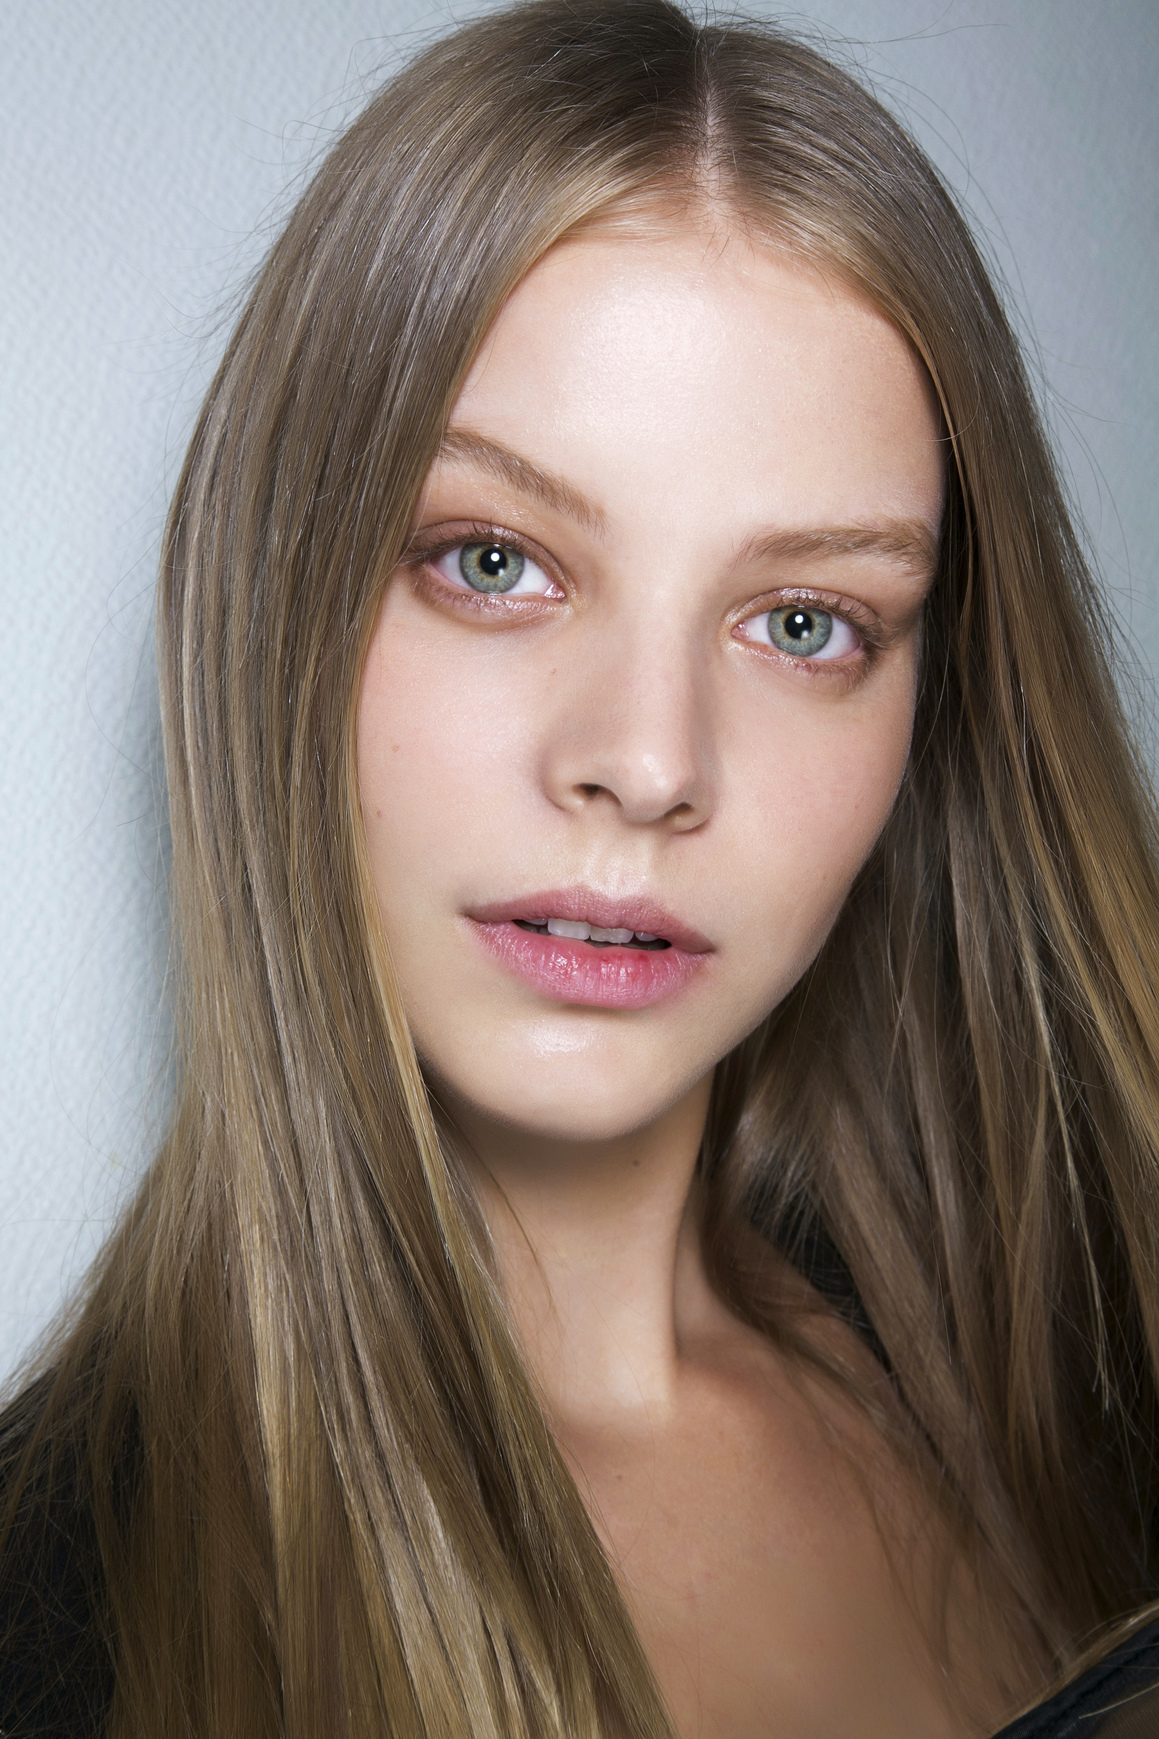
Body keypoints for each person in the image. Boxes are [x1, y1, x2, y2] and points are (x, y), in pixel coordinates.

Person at [2, 2, 1159, 1733]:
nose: (650, 760)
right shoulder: (48, 1642)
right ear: (274, 609)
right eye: (494, 561)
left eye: (803, 621)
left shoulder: (1095, 1355)